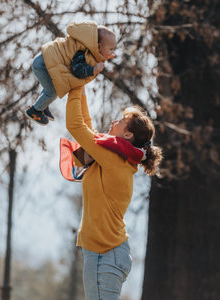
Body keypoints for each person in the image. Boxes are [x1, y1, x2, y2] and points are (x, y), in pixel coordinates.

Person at [65, 86, 163, 299]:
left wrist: (72, 87)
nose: (113, 122)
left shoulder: (114, 159)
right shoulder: (114, 156)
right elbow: (87, 128)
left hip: (104, 254)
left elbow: (75, 126)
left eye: (119, 121)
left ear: (128, 134)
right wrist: (80, 88)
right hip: (106, 253)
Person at [25, 21, 116, 125]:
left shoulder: (81, 42)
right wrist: (93, 69)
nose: (112, 53)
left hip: (43, 60)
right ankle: (35, 111)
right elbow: (78, 70)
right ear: (99, 47)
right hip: (43, 66)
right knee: (53, 92)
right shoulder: (82, 50)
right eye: (111, 49)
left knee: (50, 87)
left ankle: (43, 105)